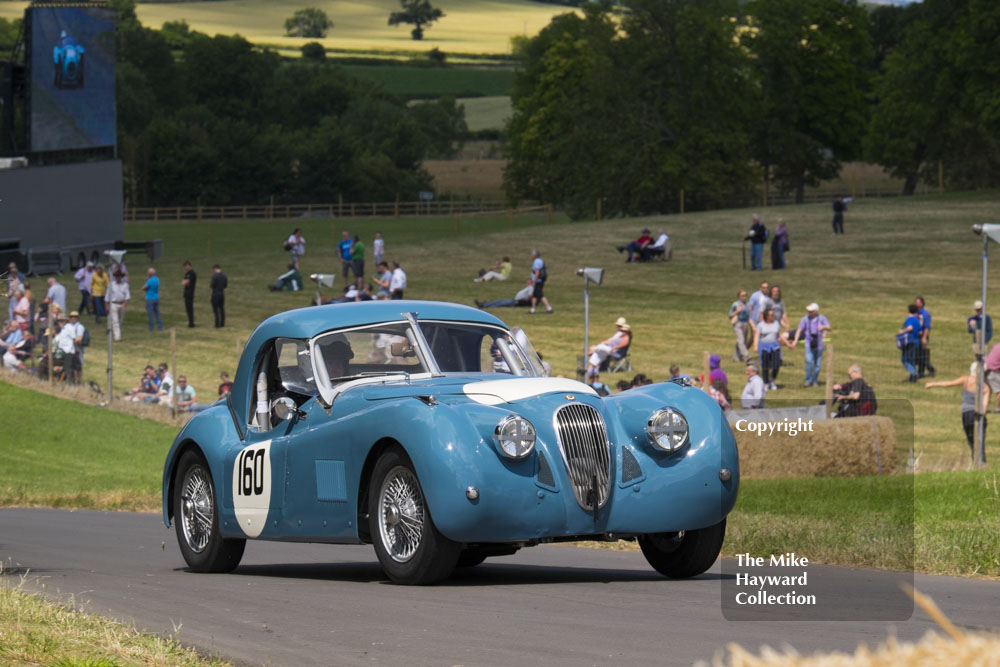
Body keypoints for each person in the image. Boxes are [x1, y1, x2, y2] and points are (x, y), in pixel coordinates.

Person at [925, 362, 990, 462]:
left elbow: (948, 384)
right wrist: (982, 414)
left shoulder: (966, 380)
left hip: (967, 415)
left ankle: (976, 461)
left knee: (971, 440)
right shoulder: (986, 387)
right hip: (979, 416)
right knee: (980, 441)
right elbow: (984, 406)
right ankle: (981, 462)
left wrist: (932, 384)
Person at [791, 303, 831, 387]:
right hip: (808, 343)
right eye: (809, 311)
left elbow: (829, 328)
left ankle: (815, 380)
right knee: (809, 362)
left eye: (811, 311)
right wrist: (795, 340)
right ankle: (808, 380)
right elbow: (799, 330)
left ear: (816, 311)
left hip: (819, 344)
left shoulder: (822, 318)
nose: (809, 312)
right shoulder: (805, 319)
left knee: (817, 364)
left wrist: (823, 327)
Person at [754, 308, 791, 391]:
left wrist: (788, 344)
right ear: (766, 316)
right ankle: (766, 383)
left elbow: (780, 335)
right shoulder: (761, 325)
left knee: (776, 364)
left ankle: (772, 380)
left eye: (773, 315)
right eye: (771, 315)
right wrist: (755, 346)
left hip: (775, 347)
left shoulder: (776, 324)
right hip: (764, 347)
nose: (772, 316)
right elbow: (757, 336)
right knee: (765, 366)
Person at [55, 311, 85, 383]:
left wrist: (73, 349)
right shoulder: (62, 329)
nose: (59, 323)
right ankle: (60, 381)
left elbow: (74, 339)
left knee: (68, 368)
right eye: (59, 321)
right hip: (61, 351)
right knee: (62, 368)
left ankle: (69, 383)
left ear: (65, 321)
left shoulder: (69, 328)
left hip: (68, 351)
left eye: (61, 321)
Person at [897, 303, 923, 382]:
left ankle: (914, 374)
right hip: (916, 342)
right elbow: (920, 332)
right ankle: (912, 377)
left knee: (905, 360)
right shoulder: (917, 320)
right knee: (912, 360)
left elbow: (910, 328)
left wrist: (902, 331)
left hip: (908, 342)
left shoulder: (909, 319)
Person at [915, 296, 936, 378]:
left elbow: (927, 327)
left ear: (922, 303)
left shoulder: (925, 314)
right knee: (919, 355)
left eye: (918, 302)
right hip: (917, 336)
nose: (916, 304)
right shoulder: (917, 313)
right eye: (916, 302)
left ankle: (931, 369)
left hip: (922, 337)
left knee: (922, 355)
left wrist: (924, 337)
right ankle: (921, 372)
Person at [106, 270, 130, 342]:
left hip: (121, 304)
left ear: (121, 277)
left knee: (120, 321)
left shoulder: (125, 285)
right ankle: (117, 337)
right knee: (115, 321)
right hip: (113, 304)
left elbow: (127, 296)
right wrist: (106, 305)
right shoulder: (111, 284)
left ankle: (115, 332)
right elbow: (107, 295)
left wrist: (125, 303)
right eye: (117, 276)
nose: (118, 278)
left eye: (119, 276)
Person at [528, 249, 553, 314]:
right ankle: (533, 309)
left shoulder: (537, 261)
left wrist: (534, 281)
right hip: (539, 280)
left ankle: (549, 308)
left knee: (540, 295)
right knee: (535, 295)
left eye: (531, 254)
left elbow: (537, 272)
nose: (530, 256)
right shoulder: (539, 261)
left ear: (534, 255)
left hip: (538, 281)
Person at [729, 289, 751, 362]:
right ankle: (746, 355)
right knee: (741, 340)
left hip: (745, 323)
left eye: (745, 295)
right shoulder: (735, 304)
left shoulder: (748, 304)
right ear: (739, 296)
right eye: (742, 296)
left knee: (742, 341)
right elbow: (730, 315)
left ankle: (736, 357)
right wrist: (737, 311)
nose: (744, 297)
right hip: (738, 323)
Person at [181, 260, 197, 328]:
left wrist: (185, 282)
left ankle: (191, 323)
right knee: (187, 309)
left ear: (190, 266)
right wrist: (185, 282)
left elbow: (185, 283)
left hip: (190, 293)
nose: (186, 268)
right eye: (185, 266)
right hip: (186, 293)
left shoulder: (192, 273)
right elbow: (183, 283)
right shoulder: (187, 274)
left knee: (190, 309)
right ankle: (190, 322)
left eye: (187, 266)